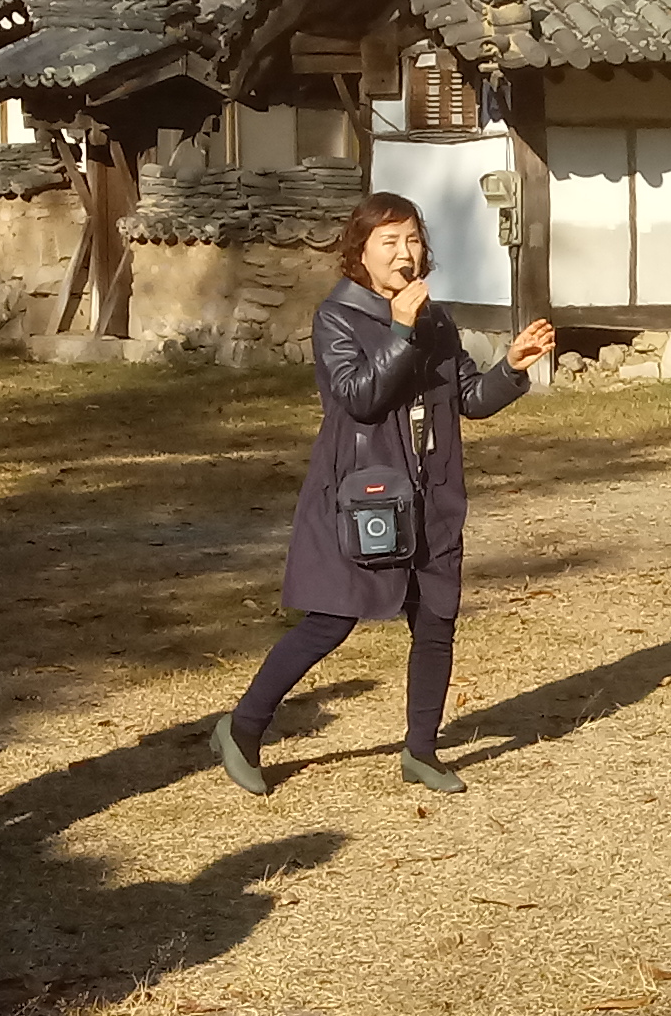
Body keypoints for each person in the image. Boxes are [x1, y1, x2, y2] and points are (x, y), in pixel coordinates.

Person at [212, 193, 555, 797]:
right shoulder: (337, 318)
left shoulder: (437, 317)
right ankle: (241, 728)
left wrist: (513, 365)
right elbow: (361, 397)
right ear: (360, 253)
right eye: (389, 242)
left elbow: (469, 399)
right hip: (365, 495)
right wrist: (400, 328)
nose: (405, 253)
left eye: (413, 240)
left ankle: (421, 751)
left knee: (435, 621)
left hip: (433, 494)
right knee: (330, 620)